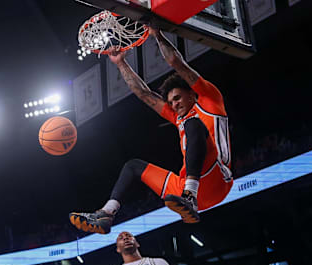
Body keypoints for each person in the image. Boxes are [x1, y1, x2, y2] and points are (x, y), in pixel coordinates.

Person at [70, 27, 233, 234]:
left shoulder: (210, 101)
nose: (173, 104)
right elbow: (144, 94)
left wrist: (157, 33)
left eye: (178, 98)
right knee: (133, 166)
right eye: (171, 102)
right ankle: (106, 214)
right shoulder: (178, 117)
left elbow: (176, 63)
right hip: (186, 190)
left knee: (193, 124)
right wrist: (120, 63)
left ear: (192, 94)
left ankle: (190, 195)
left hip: (216, 178)